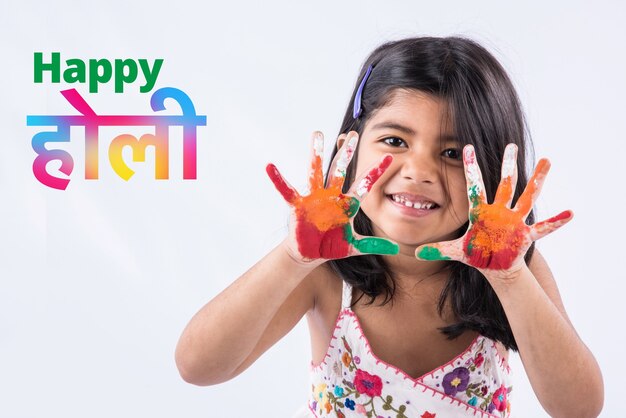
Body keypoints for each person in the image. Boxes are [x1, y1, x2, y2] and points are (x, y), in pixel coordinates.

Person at [175, 36, 603, 417]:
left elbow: (579, 409)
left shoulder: (509, 270)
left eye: (453, 153)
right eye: (396, 141)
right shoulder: (325, 273)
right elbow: (198, 367)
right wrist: (292, 257)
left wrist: (510, 279)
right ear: (352, 147)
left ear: (490, 171)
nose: (418, 170)